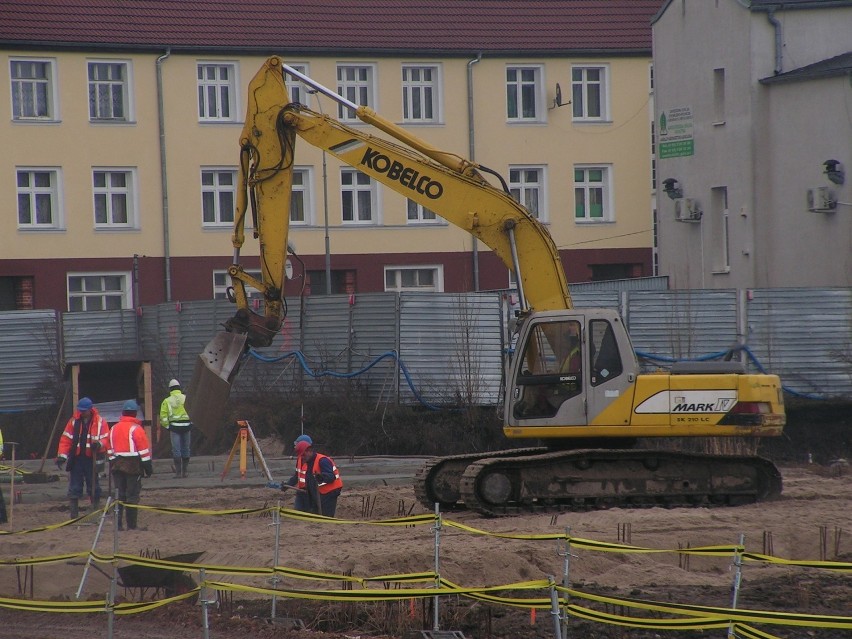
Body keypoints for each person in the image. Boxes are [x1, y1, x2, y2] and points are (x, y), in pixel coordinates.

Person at [55, 397, 109, 518]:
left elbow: (106, 438)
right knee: (74, 486)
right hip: (77, 458)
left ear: (90, 410)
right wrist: (62, 456)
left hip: (92, 459)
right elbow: (66, 440)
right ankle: (74, 514)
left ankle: (94, 509)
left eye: (84, 410)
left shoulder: (100, 422)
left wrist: (99, 444)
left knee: (93, 485)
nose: (82, 413)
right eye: (80, 410)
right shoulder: (74, 421)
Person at [108, 399, 153, 531]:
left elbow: (109, 449)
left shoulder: (114, 428)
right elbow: (144, 451)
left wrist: (113, 463)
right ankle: (131, 526)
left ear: (123, 412)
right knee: (132, 496)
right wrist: (148, 468)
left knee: (119, 495)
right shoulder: (136, 429)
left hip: (117, 465)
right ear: (134, 413)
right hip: (133, 466)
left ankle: (118, 526)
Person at [285, 439, 343, 517]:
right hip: (319, 492)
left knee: (326, 515)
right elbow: (305, 479)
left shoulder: (322, 460)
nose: (302, 458)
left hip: (330, 491)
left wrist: (321, 477)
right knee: (315, 514)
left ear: (309, 451)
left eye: (303, 455)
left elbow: (331, 476)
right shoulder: (309, 462)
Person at [159, 379, 192, 478]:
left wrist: (168, 427)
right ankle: (185, 472)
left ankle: (178, 473)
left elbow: (163, 417)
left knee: (176, 450)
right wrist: (191, 423)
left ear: (170, 389)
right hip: (187, 426)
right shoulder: (186, 398)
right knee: (186, 448)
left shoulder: (167, 401)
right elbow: (193, 411)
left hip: (174, 427)